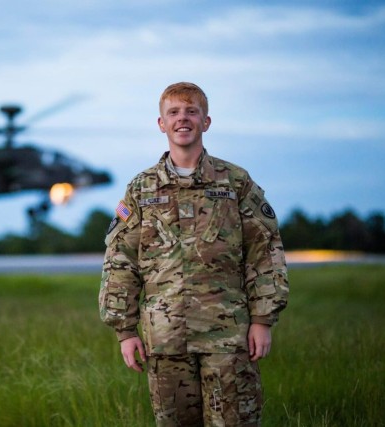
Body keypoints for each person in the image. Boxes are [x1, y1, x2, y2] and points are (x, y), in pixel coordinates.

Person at [99, 82, 289, 426]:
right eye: (173, 112)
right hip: (165, 339)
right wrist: (124, 331)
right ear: (161, 123)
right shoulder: (142, 188)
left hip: (228, 337)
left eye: (191, 112)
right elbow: (120, 260)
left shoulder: (234, 182)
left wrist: (262, 320)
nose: (182, 119)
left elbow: (265, 250)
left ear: (206, 121)